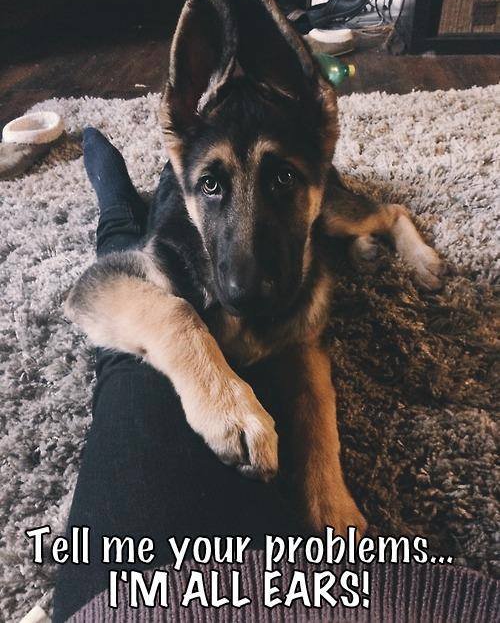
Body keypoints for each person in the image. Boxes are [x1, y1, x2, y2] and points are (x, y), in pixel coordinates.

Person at [52, 129, 498, 622]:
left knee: (123, 349)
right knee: (156, 251)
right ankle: (134, 192)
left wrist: (321, 476)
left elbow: (306, 347)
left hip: (131, 596)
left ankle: (116, 202)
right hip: (300, 593)